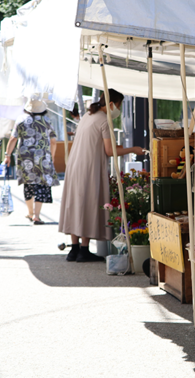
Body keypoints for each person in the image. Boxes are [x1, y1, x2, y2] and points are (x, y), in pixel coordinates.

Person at [58, 89, 147, 262]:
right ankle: (84, 249)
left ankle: (74, 249)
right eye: (119, 105)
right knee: (88, 203)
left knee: (75, 203)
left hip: (75, 165)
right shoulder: (104, 121)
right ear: (112, 104)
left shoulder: (87, 116)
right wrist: (133, 149)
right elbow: (109, 150)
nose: (118, 110)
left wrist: (119, 147)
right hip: (89, 167)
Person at [4, 99, 59, 225]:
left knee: (28, 183)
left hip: (25, 157)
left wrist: (7, 155)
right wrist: (52, 156)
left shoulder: (21, 119)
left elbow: (13, 138)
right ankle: (37, 216)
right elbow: (53, 141)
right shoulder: (47, 120)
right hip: (42, 157)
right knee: (40, 183)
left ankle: (30, 212)